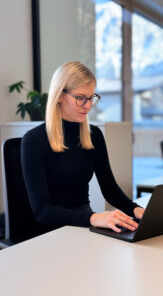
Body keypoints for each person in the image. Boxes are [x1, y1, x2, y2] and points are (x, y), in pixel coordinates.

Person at [21, 61, 144, 233]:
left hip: (84, 223)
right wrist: (93, 218)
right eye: (80, 98)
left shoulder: (93, 135)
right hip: (48, 231)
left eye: (91, 98)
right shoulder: (33, 141)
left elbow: (110, 189)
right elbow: (43, 211)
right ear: (60, 96)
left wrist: (136, 210)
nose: (87, 106)